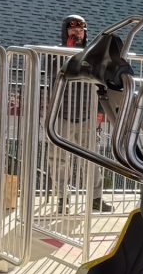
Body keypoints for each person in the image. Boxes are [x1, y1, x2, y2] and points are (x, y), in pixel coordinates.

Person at [47, 15, 110, 213]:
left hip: (88, 114)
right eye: (72, 29)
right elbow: (53, 74)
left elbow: (101, 84)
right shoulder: (55, 54)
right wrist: (68, 50)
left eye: (81, 30)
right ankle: (61, 198)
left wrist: (100, 112)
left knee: (91, 158)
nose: (77, 33)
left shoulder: (94, 55)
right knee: (58, 160)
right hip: (62, 114)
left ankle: (96, 198)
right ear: (65, 31)